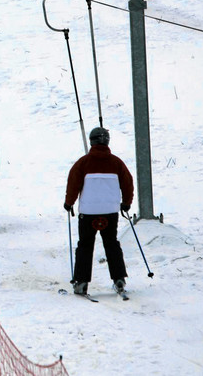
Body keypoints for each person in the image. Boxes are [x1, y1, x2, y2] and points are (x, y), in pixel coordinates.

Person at [64, 126, 134, 296]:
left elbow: (73, 183)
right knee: (111, 244)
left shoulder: (83, 162)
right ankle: (119, 279)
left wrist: (69, 203)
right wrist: (126, 203)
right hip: (110, 211)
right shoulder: (117, 163)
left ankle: (81, 282)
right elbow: (128, 183)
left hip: (88, 212)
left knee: (85, 245)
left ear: (91, 141)